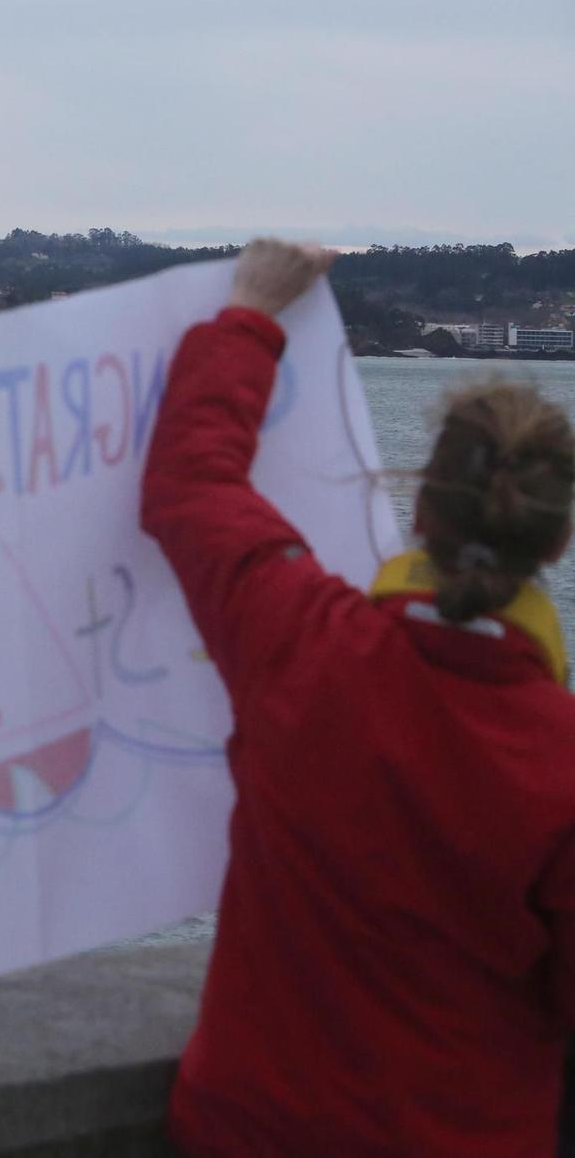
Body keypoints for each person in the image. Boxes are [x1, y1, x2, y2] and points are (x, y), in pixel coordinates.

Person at [144, 238, 575, 1155]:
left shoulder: (304, 643)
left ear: (420, 509)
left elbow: (193, 482)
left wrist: (251, 314)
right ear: (554, 543)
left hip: (246, 1130)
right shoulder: (561, 761)